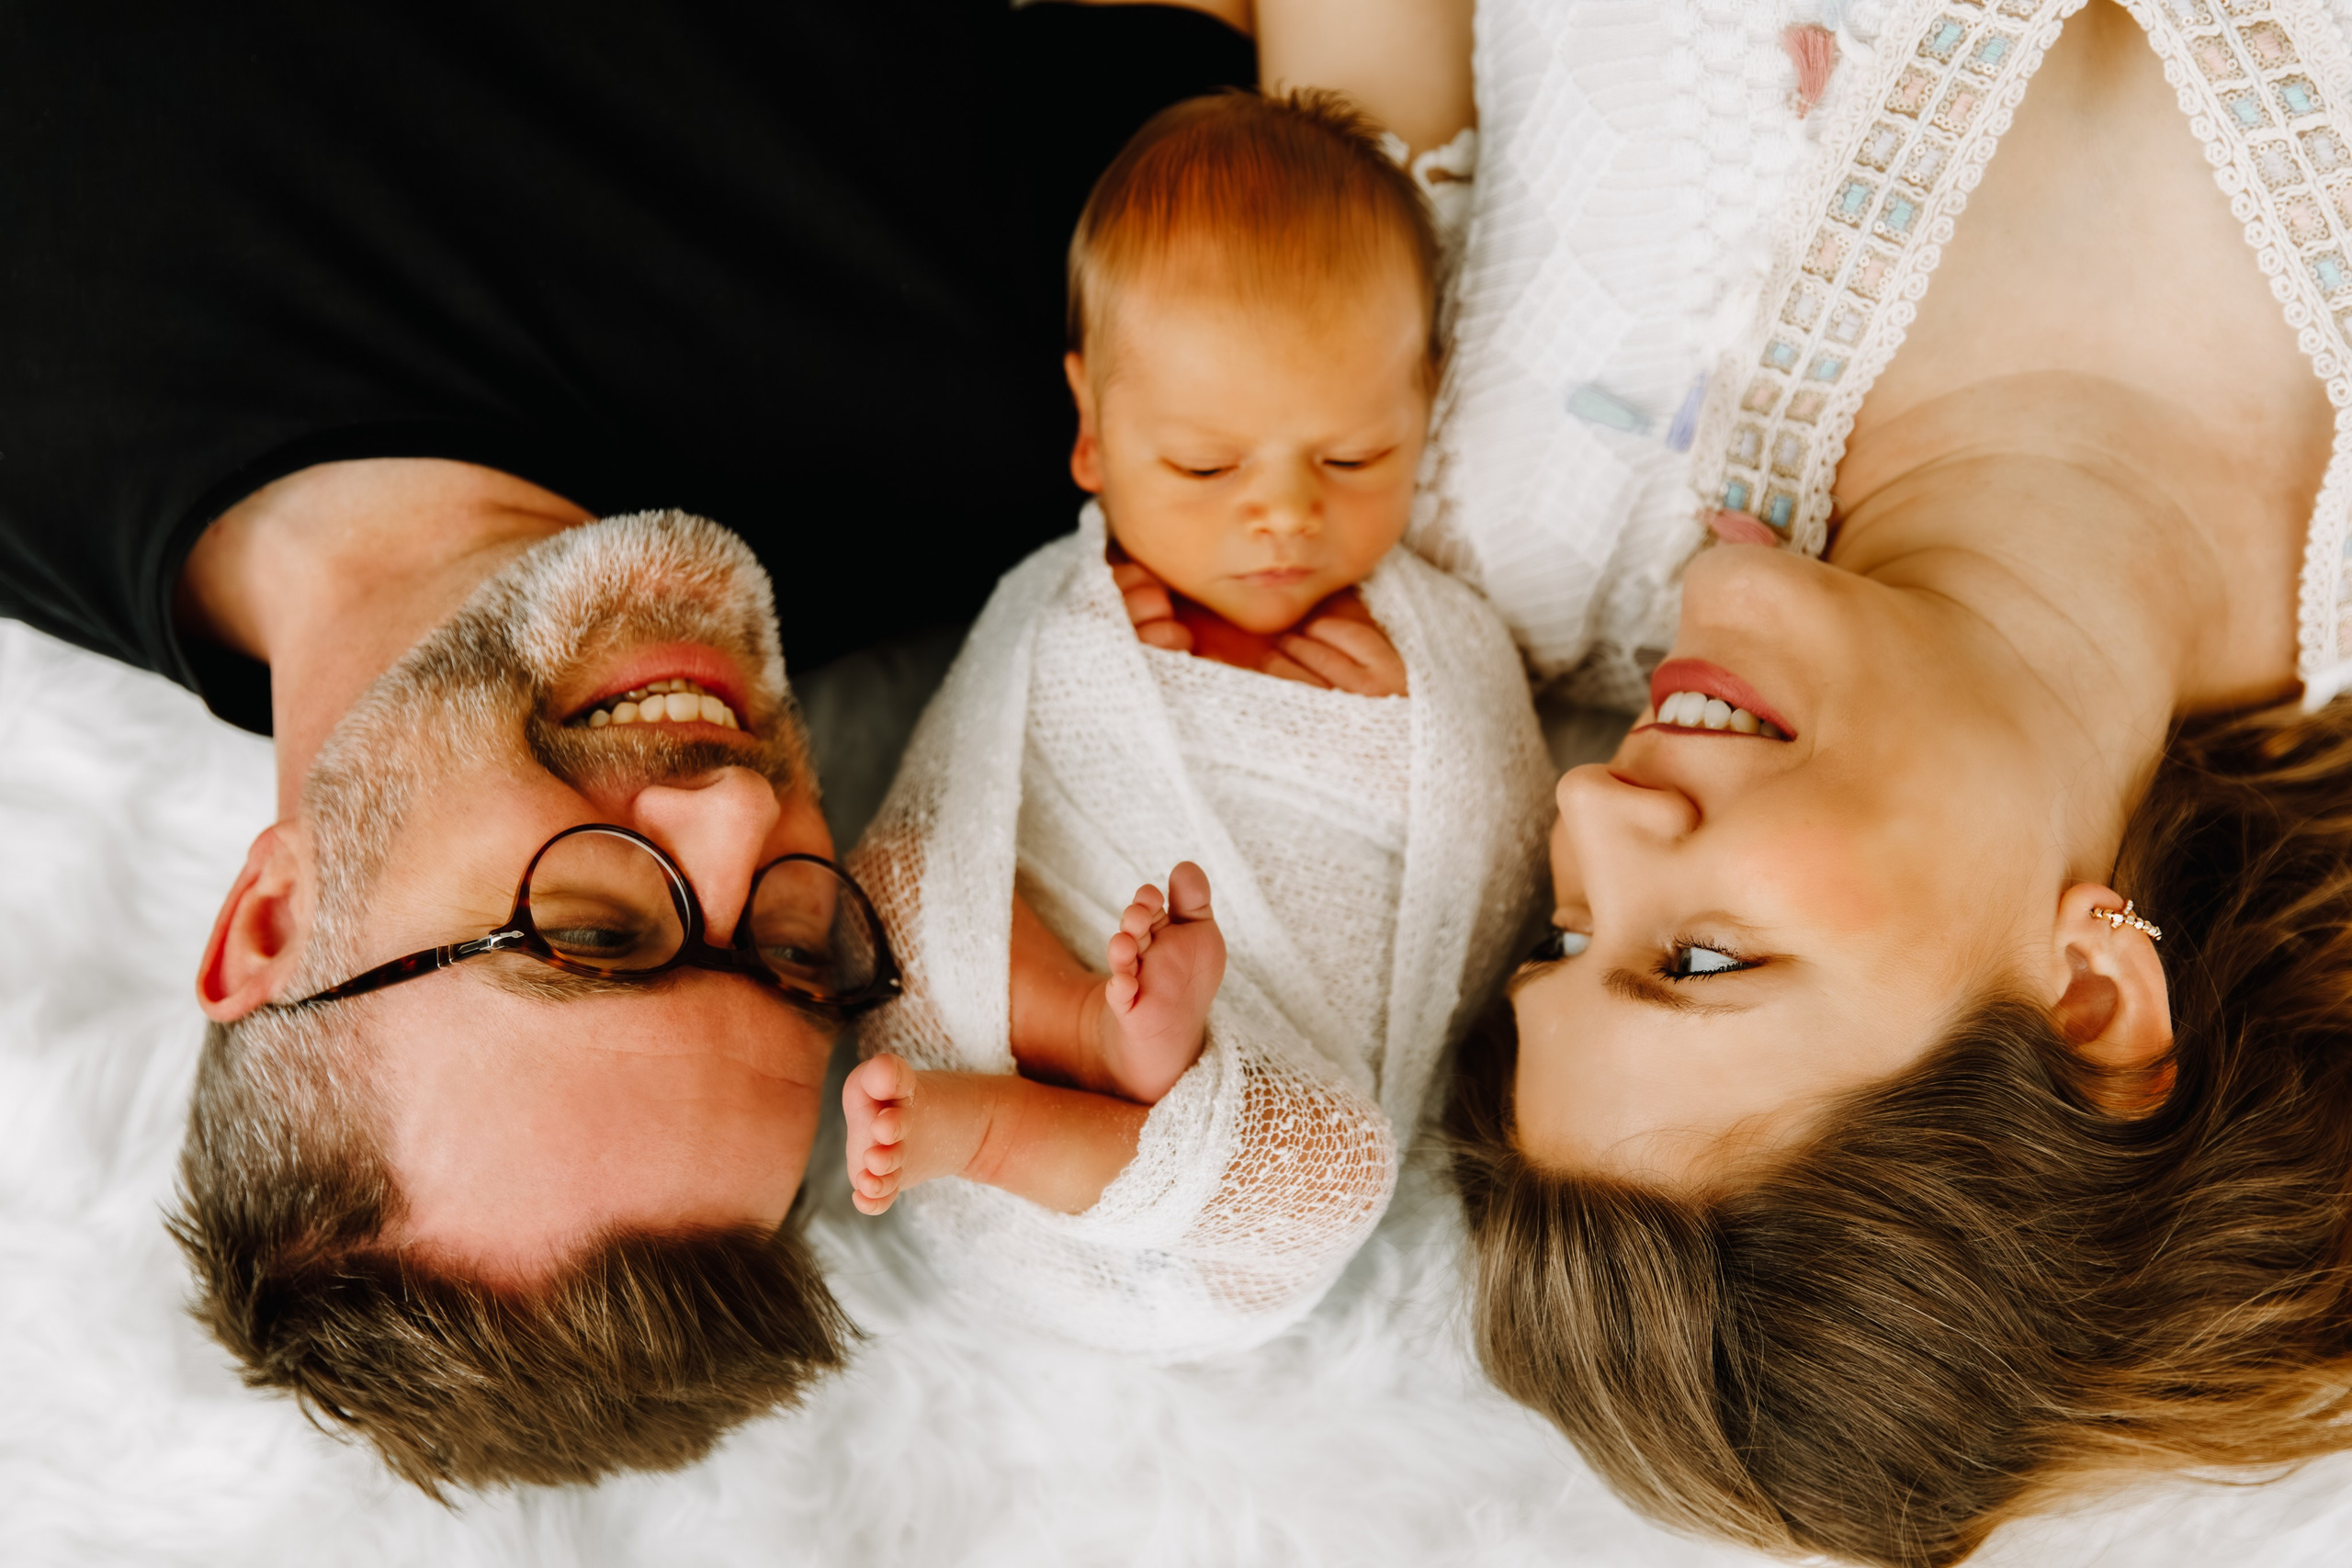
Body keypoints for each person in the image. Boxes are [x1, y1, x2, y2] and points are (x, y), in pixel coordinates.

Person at [0, 0, 1267, 1490]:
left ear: (271, 920)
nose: (739, 815)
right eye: (796, 955)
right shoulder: (1059, 388)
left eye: (590, 930)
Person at [1428, 2, 2352, 1564]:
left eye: (1566, 937)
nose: (1593, 814)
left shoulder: (1502, 511)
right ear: (2086, 1004)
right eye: (1701, 957)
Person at [837, 92, 1552, 1358]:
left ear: (1424, 399)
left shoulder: (1434, 650)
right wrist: (1092, 666)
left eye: (1348, 458)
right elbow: (946, 812)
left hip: (1233, 1210)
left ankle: (1045, 1105)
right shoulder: (1057, 615)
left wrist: (1397, 731)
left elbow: (1490, 845)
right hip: (1012, 1029)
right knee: (884, 891)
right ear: (1094, 433)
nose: (1281, 517)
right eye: (1206, 471)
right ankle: (1083, 1034)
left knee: (1336, 1169)